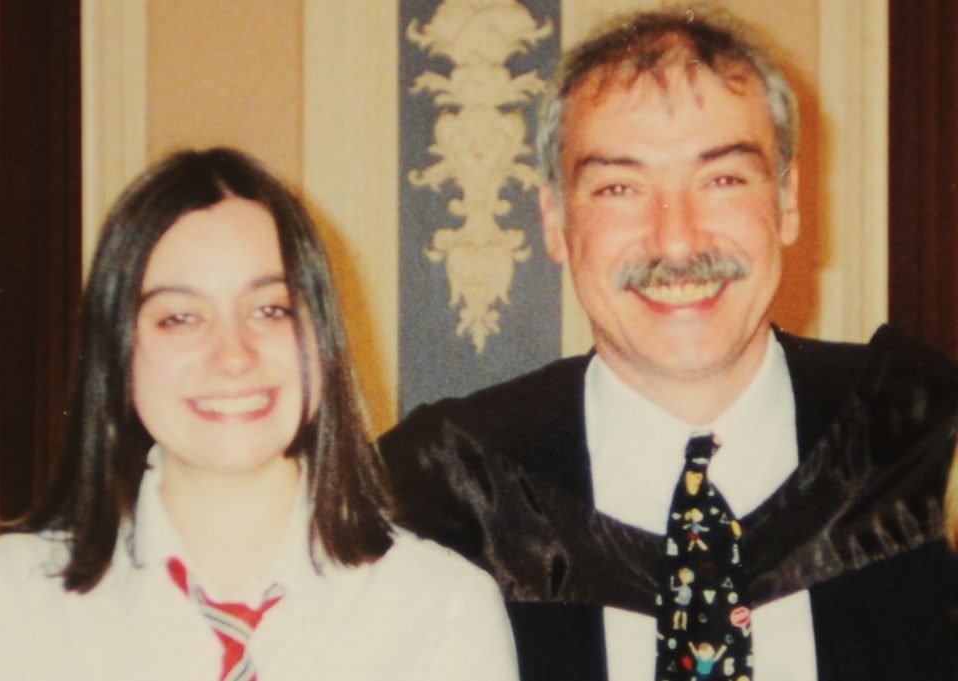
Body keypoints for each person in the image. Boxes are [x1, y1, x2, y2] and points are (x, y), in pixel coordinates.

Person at [378, 7, 958, 681]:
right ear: (556, 222)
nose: (677, 240)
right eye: (620, 187)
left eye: (721, 179)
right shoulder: (439, 491)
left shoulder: (923, 446)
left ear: (790, 198)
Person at [0, 148, 518, 681]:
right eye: (180, 318)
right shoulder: (13, 601)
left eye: (269, 309)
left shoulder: (444, 605)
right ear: (118, 351)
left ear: (322, 335)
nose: (233, 355)